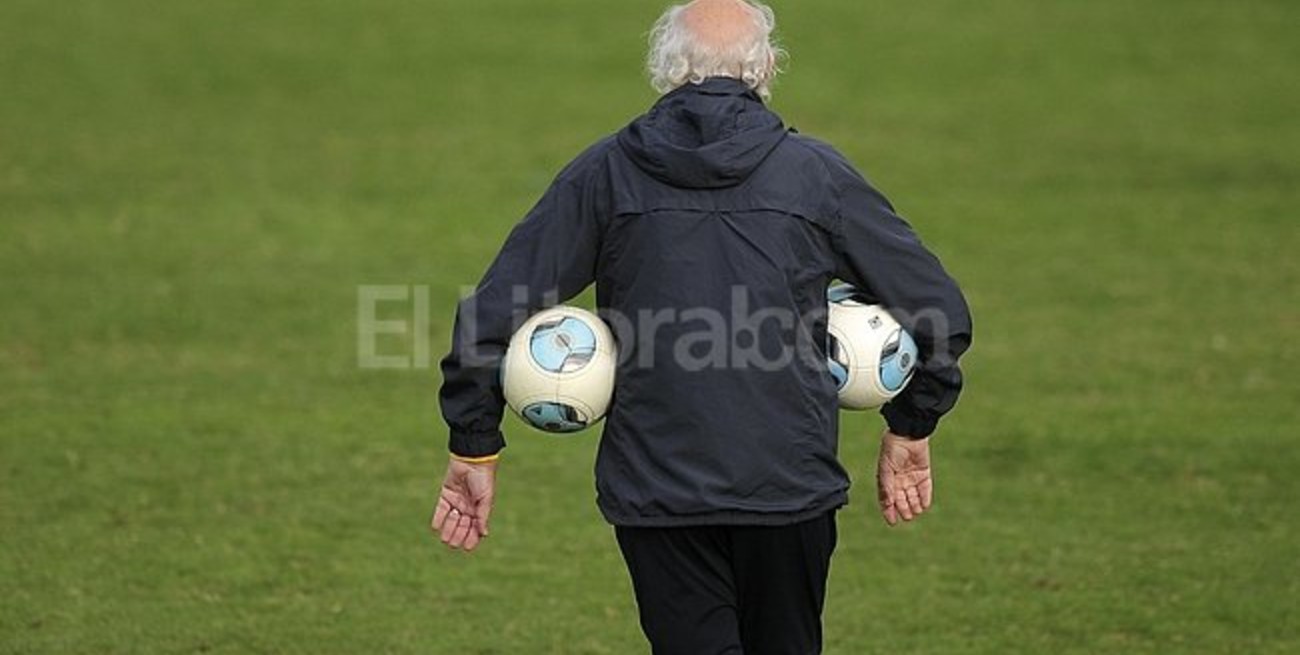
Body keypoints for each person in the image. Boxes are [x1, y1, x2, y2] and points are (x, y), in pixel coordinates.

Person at [431, 0, 972, 652]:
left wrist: (473, 443)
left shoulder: (606, 173)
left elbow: (492, 313)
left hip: (659, 494)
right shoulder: (815, 176)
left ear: (665, 69)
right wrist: (912, 424)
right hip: (788, 488)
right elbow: (937, 308)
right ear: (765, 67)